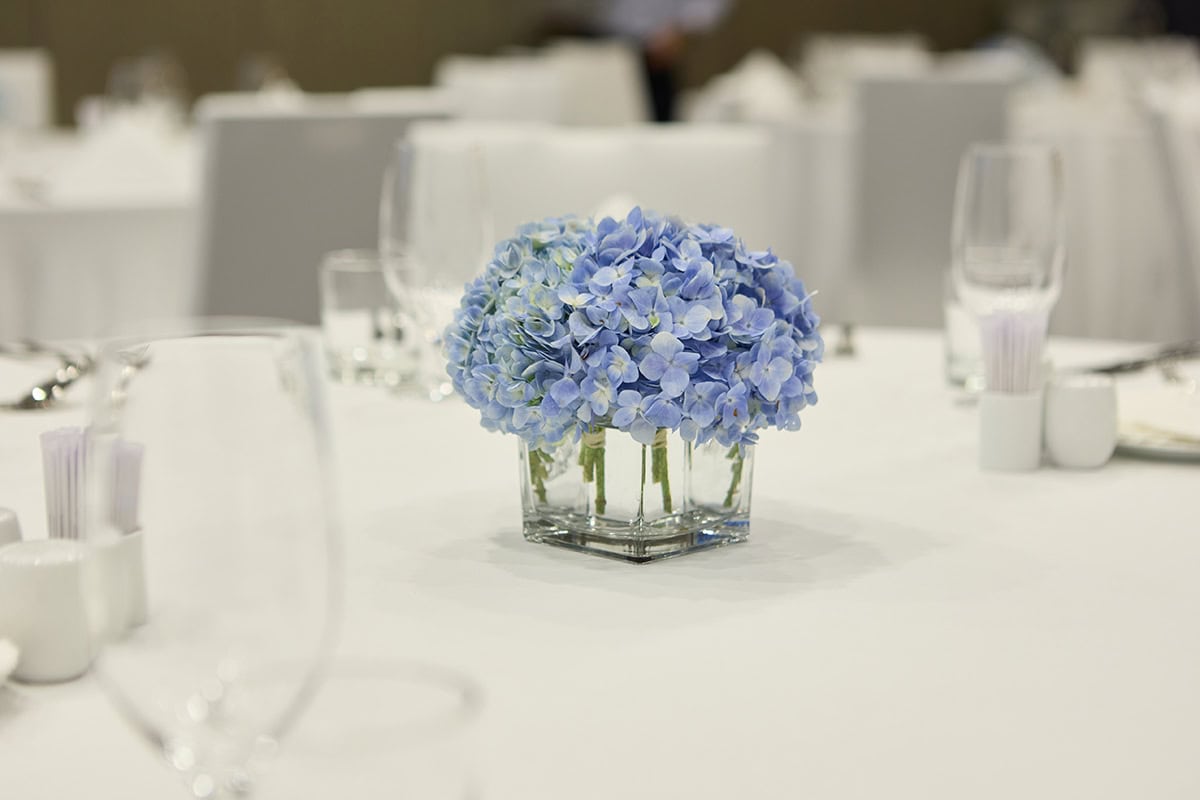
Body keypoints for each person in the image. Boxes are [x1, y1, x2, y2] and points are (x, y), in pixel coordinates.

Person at [546, 0, 733, 122]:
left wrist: (682, 28)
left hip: (653, 44)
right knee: (592, 121)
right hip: (599, 37)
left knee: (655, 124)